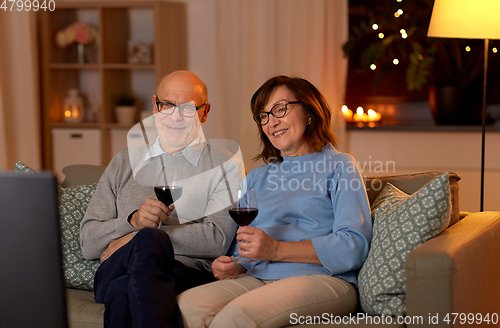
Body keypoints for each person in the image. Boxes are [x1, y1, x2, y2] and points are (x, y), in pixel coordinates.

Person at [178, 75, 373, 327]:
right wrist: (234, 265)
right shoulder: (257, 177)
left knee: (236, 317)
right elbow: (245, 248)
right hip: (259, 277)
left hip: (324, 279)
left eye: (280, 109)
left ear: (309, 110)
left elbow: (353, 245)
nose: (272, 122)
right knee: (186, 307)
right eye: (263, 116)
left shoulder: (339, 165)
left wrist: (277, 250)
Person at [80, 70, 245, 328]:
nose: (175, 116)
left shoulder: (225, 164)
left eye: (188, 108)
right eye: (167, 105)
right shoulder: (125, 161)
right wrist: (133, 222)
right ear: (156, 105)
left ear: (205, 112)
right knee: (142, 247)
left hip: (183, 272)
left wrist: (136, 238)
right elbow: (88, 242)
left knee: (123, 290)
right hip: (115, 268)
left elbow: (217, 239)